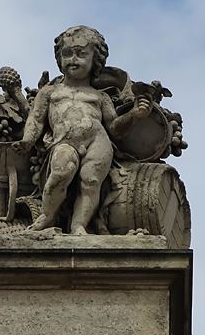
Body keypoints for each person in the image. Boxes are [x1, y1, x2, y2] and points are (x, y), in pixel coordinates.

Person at [12, 26, 151, 234]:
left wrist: (134, 115)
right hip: (64, 141)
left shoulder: (100, 97)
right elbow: (36, 119)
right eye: (67, 54)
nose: (73, 59)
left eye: (81, 54)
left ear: (94, 60)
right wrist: (28, 141)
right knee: (60, 172)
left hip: (98, 141)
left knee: (91, 181)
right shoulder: (50, 92)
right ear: (59, 59)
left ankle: (79, 225)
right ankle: (47, 215)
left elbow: (114, 128)